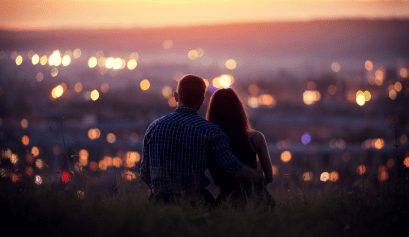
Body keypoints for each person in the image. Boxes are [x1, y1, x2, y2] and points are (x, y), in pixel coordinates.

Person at [139, 74, 264, 207]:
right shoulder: (210, 131)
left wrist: (163, 192)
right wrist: (259, 176)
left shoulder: (154, 128)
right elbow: (233, 169)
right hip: (195, 202)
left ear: (176, 97)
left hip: (158, 203)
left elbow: (145, 174)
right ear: (202, 100)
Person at [206, 88, 274, 208]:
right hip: (257, 199)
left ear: (213, 112)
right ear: (239, 110)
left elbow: (215, 179)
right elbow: (268, 177)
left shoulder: (210, 141)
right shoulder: (255, 138)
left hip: (227, 200)